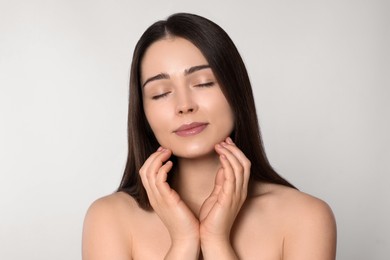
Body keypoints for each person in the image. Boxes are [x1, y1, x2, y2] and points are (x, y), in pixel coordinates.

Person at [82, 13, 337, 259]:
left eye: (203, 82)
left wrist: (216, 241)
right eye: (160, 93)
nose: (184, 105)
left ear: (236, 90)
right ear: (143, 113)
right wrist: (183, 243)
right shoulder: (109, 218)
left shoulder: (306, 217)